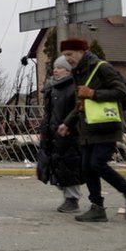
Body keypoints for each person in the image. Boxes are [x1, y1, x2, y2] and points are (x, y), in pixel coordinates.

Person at [57, 37, 126, 222]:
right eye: (65, 55)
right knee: (87, 168)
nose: (67, 59)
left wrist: (94, 93)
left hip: (105, 125)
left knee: (97, 164)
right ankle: (97, 208)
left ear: (81, 51)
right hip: (87, 127)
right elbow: (81, 103)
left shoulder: (101, 67)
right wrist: (67, 123)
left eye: (70, 54)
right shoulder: (79, 72)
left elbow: (121, 92)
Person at [39, 55, 84, 213]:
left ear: (68, 71)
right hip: (54, 133)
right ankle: (68, 195)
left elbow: (78, 110)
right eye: (55, 67)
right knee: (58, 165)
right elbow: (49, 112)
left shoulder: (73, 87)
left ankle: (72, 199)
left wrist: (68, 125)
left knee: (69, 164)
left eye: (60, 68)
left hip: (68, 133)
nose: (55, 70)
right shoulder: (52, 87)